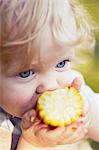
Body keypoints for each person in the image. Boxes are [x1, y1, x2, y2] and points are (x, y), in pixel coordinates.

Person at [0, 0, 99, 149]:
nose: (51, 86)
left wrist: (89, 114)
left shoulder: (71, 87)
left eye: (61, 64)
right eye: (26, 73)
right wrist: (33, 143)